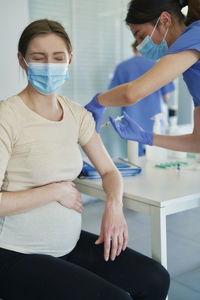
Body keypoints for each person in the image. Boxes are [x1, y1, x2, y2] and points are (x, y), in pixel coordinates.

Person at [0, 19, 169, 300]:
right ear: (22, 60)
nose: (49, 65)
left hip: (67, 244)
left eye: (58, 57)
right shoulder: (7, 117)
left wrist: (113, 206)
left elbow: (109, 172)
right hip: (15, 252)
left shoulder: (76, 114)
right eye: (38, 58)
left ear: (69, 61)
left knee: (154, 279)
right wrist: (55, 191)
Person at [85, 0, 200, 155]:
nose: (140, 46)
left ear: (165, 20)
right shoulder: (190, 60)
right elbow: (197, 142)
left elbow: (131, 93)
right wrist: (145, 137)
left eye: (141, 36)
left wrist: (98, 102)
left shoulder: (195, 36)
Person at [108, 41, 175, 155]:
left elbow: (114, 95)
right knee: (154, 153)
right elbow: (166, 96)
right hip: (154, 119)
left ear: (134, 49)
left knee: (134, 154)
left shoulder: (122, 67)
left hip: (131, 118)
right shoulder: (157, 65)